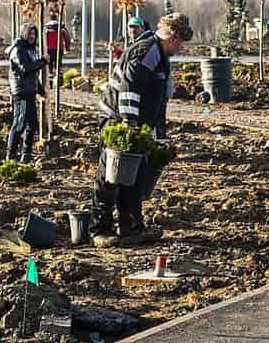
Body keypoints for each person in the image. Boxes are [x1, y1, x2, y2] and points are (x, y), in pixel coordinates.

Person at [91, 13, 193, 248]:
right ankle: (99, 229)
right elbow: (129, 87)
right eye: (180, 42)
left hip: (138, 123)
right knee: (111, 174)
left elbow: (157, 99)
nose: (180, 47)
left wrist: (158, 133)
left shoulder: (160, 54)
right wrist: (129, 123)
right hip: (117, 119)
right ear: (172, 37)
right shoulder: (148, 51)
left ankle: (131, 226)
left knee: (135, 174)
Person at [6, 24, 47, 163]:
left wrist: (40, 90)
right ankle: (11, 155)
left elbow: (34, 75)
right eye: (30, 34)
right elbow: (26, 69)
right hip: (21, 92)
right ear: (24, 34)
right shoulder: (18, 50)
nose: (32, 37)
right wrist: (43, 61)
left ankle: (26, 154)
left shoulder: (31, 50)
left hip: (30, 92)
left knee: (32, 124)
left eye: (34, 34)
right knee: (19, 123)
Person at [45, 14, 72, 88]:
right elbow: (67, 38)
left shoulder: (46, 27)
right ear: (57, 18)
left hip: (49, 49)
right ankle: (59, 83)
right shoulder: (61, 27)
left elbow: (42, 39)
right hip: (59, 49)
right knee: (58, 66)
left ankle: (50, 83)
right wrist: (67, 48)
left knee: (49, 67)